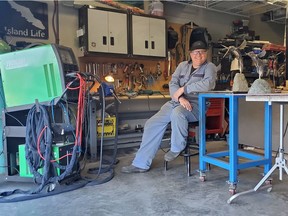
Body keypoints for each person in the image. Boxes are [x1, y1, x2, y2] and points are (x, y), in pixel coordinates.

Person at [121, 40, 217, 173]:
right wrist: (180, 97)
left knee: (178, 113)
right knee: (151, 123)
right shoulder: (182, 66)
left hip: (197, 105)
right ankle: (141, 163)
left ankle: (177, 147)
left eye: (201, 52)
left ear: (206, 53)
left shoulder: (210, 67)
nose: (198, 55)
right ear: (190, 54)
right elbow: (173, 83)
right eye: (195, 52)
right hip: (177, 101)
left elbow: (208, 84)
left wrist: (184, 89)